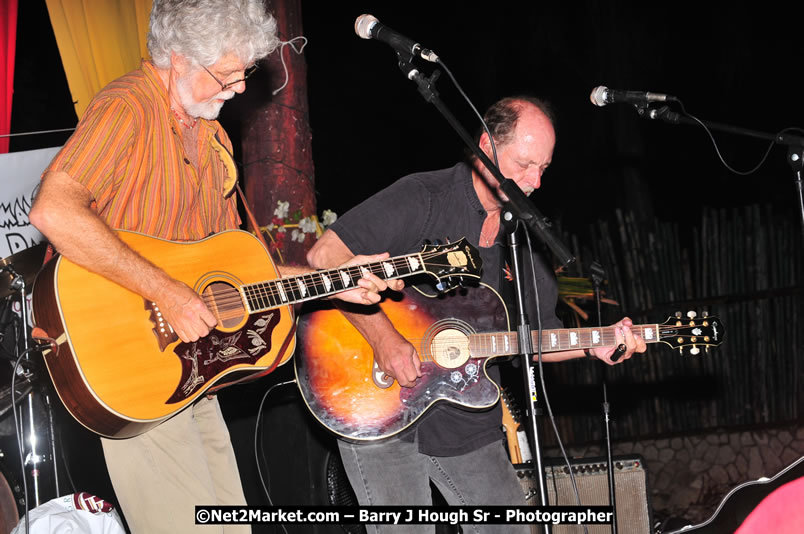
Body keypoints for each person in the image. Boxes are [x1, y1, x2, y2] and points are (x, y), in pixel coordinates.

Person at [28, 1, 391, 532]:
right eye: (227, 74)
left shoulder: (214, 139)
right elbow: (52, 208)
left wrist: (333, 284)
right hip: (131, 362)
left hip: (194, 370)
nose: (240, 88)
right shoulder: (127, 107)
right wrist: (168, 293)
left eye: (243, 73)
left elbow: (239, 279)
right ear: (178, 59)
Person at [306, 96, 648, 533]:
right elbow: (325, 256)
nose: (535, 182)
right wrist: (384, 338)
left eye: (544, 168)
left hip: (466, 416)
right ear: (486, 146)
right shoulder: (424, 197)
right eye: (525, 164)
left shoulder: (524, 243)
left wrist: (593, 345)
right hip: (373, 397)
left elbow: (536, 338)